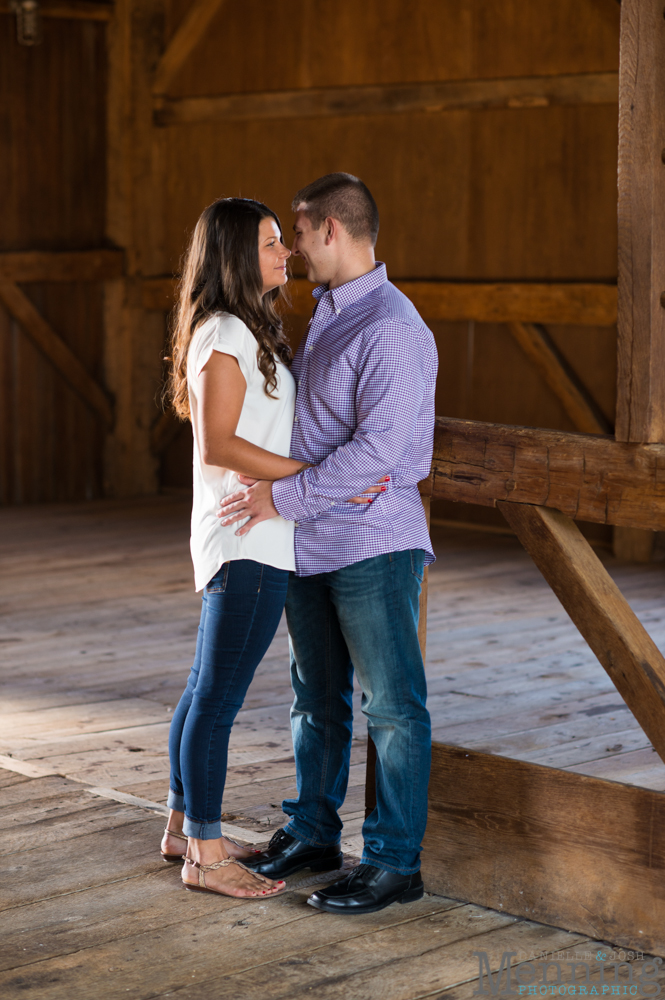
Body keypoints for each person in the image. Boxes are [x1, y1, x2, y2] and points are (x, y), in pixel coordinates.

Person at [218, 173, 438, 915]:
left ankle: (392, 863)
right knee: (315, 700)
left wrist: (282, 495)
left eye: (296, 235)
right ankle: (313, 833)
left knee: (392, 708)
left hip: (372, 543)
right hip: (310, 541)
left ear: (332, 232)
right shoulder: (331, 318)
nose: (289, 249)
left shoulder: (391, 327)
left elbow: (378, 452)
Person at [161, 196, 380, 900]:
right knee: (217, 701)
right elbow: (219, 443)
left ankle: (180, 828)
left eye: (283, 240)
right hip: (247, 538)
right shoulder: (223, 330)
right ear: (232, 255)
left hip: (251, 534)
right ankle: (205, 851)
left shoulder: (242, 327)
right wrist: (317, 480)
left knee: (202, 690)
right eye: (268, 242)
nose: (284, 252)